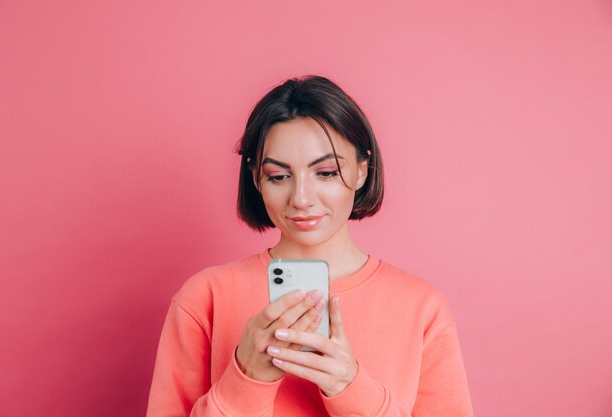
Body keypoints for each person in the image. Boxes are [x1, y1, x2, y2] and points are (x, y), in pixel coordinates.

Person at [146, 75, 474, 417]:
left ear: (363, 169)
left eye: (327, 172)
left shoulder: (421, 308)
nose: (301, 199)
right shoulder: (203, 298)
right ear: (256, 176)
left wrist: (352, 388)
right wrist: (247, 379)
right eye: (278, 176)